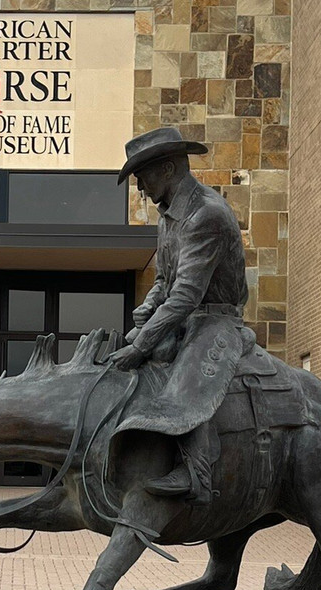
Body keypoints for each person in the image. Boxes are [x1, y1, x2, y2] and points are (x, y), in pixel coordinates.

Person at [106, 127, 249, 505]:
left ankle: (196, 472)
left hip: (216, 321)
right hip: (187, 316)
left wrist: (140, 345)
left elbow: (186, 293)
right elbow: (166, 280)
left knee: (187, 376)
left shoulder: (207, 214)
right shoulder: (168, 217)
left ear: (168, 168)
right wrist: (147, 307)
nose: (139, 187)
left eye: (142, 177)